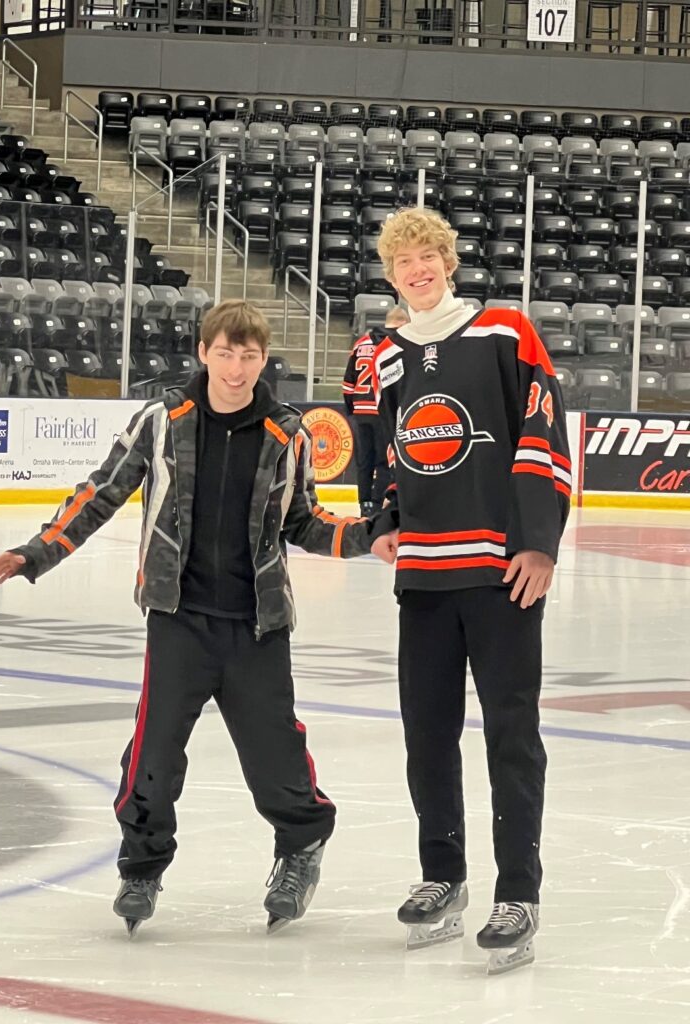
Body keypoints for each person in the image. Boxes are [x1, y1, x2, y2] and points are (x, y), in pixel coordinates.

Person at [0, 299, 375, 937]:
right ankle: (142, 865)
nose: (236, 367)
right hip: (178, 621)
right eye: (225, 352)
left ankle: (300, 847)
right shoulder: (161, 421)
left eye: (249, 356)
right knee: (152, 756)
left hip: (257, 626)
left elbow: (303, 520)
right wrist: (38, 552)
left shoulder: (288, 432)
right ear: (203, 352)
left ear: (262, 360)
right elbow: (100, 492)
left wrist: (367, 538)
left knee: (275, 758)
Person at [368, 208, 570, 974]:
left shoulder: (505, 332)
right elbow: (386, 449)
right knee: (427, 733)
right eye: (403, 262)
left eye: (428, 256)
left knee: (509, 735)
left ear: (449, 262)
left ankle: (517, 890)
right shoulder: (385, 354)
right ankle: (441, 876)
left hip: (499, 573)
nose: (417, 270)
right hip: (422, 573)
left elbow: (544, 434)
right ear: (391, 275)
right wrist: (383, 517)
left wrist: (539, 544)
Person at [342, 305, 409, 517]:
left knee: (364, 460)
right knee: (383, 460)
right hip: (383, 410)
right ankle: (377, 503)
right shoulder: (398, 343)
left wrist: (352, 407)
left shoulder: (361, 343)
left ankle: (364, 503)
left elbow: (347, 381)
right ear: (403, 323)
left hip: (361, 410)